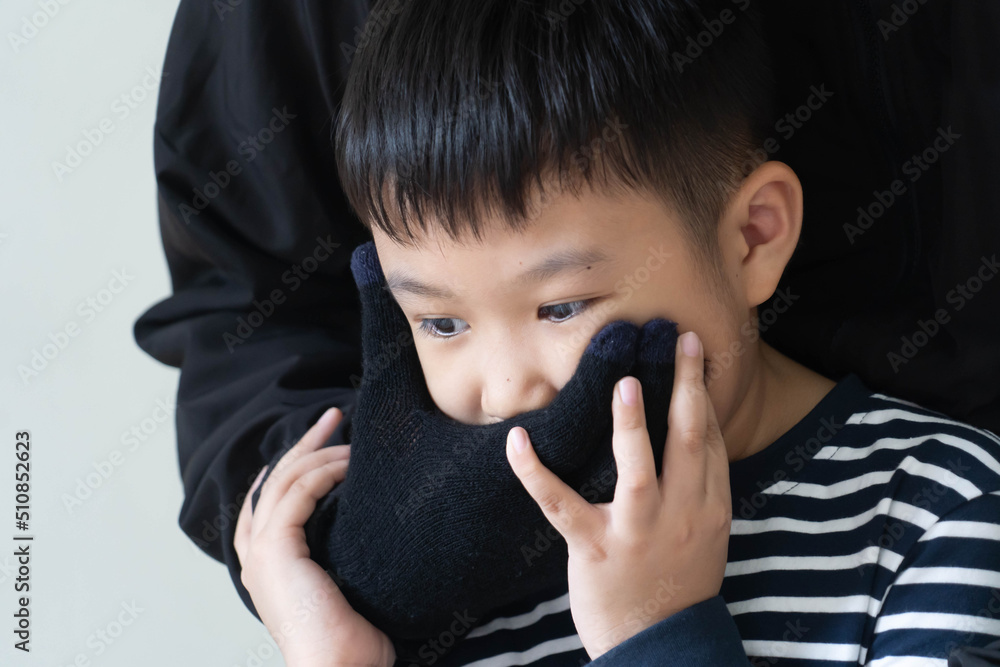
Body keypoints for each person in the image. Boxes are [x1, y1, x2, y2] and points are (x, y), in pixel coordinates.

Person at [134, 0, 1000, 664]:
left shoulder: (941, 517)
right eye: (438, 320)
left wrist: (656, 632)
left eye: (560, 307)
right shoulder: (467, 580)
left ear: (753, 237)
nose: (506, 389)